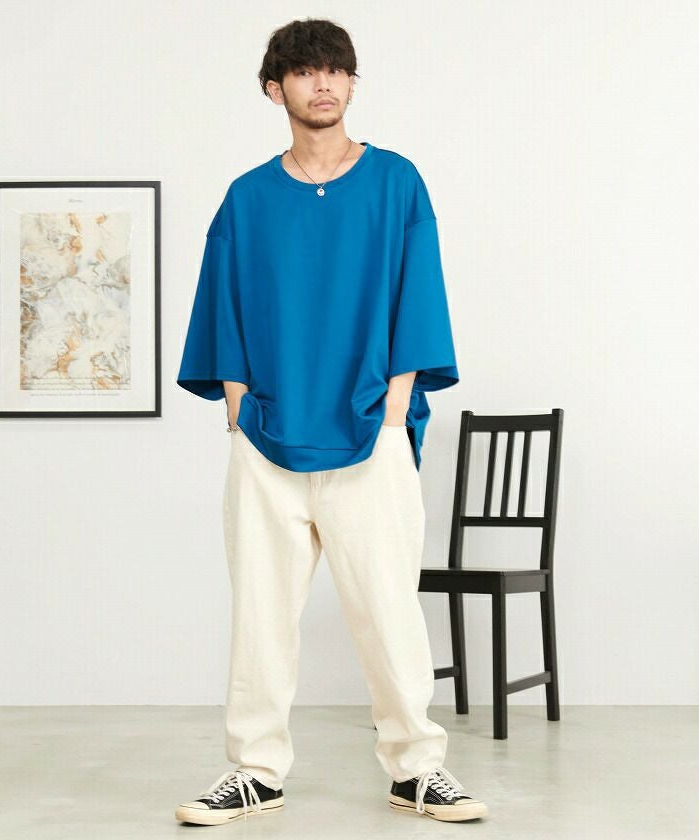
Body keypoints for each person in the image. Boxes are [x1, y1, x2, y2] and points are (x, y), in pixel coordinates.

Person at [173, 17, 489, 827]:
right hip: (268, 438)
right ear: (274, 88)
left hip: (370, 432)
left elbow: (419, 293)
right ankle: (255, 771)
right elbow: (222, 305)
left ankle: (417, 770)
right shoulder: (247, 198)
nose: (324, 83)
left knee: (389, 610)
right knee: (260, 616)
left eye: (337, 70)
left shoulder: (396, 183)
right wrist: (239, 407)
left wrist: (394, 407)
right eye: (306, 71)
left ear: (351, 82)